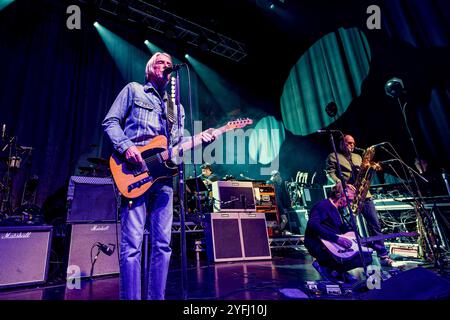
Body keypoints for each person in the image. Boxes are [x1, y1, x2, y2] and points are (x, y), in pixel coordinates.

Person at [102, 52, 214, 300]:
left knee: (163, 245)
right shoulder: (134, 90)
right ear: (149, 69)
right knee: (132, 246)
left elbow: (175, 144)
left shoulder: (176, 108)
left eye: (168, 62)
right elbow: (110, 122)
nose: (166, 64)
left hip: (163, 180)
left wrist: (200, 139)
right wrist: (126, 147)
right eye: (161, 61)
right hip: (133, 173)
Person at [325, 134, 394, 266]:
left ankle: (383, 255)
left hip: (364, 194)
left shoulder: (357, 156)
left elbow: (365, 172)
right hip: (348, 196)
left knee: (375, 224)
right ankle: (354, 254)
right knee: (351, 227)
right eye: (349, 143)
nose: (352, 145)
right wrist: (341, 183)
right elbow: (330, 173)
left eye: (353, 143)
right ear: (341, 144)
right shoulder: (333, 156)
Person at [304, 184, 372, 283]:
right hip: (319, 245)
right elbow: (313, 224)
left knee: (367, 257)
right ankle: (325, 266)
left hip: (334, 245)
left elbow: (342, 227)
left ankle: (335, 271)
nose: (350, 203)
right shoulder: (323, 205)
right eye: (349, 199)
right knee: (364, 258)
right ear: (340, 195)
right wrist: (337, 239)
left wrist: (357, 238)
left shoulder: (338, 209)